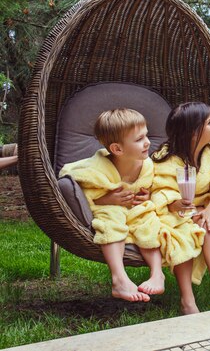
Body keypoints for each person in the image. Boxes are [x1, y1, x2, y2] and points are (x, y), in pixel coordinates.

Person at [59, 109, 165, 302]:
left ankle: (157, 273)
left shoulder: (147, 165)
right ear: (117, 149)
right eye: (140, 139)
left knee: (148, 220)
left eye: (146, 135)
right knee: (111, 219)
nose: (148, 142)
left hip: (134, 210)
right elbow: (81, 189)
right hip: (108, 209)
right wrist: (106, 200)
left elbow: (157, 184)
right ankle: (119, 279)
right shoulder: (96, 169)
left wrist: (149, 194)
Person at [151, 102, 210, 313]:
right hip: (172, 213)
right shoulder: (166, 158)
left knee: (205, 225)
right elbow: (158, 190)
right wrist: (177, 204)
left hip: (200, 208)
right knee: (186, 233)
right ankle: (188, 300)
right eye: (209, 123)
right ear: (193, 132)